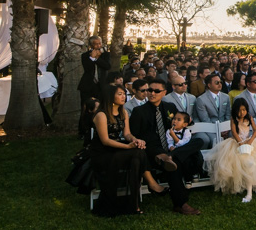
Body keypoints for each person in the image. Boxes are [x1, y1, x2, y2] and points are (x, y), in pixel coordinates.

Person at [129, 78, 202, 216]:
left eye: (156, 91)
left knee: (198, 141)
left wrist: (186, 122)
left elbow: (180, 125)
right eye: (149, 90)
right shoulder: (139, 111)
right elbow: (135, 135)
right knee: (173, 166)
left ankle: (172, 156)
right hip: (153, 151)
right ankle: (181, 204)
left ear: (164, 92)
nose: (152, 93)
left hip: (173, 147)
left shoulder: (170, 108)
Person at [89, 85, 148, 216]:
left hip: (117, 150)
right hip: (102, 152)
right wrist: (127, 147)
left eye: (124, 94)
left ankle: (133, 202)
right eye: (120, 94)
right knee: (138, 153)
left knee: (137, 158)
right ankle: (145, 188)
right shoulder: (101, 115)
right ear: (111, 97)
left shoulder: (123, 112)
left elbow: (127, 133)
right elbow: (105, 141)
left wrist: (135, 140)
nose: (124, 97)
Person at [206, 97, 256, 203]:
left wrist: (251, 140)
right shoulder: (234, 118)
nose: (241, 112)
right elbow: (234, 132)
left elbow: (255, 130)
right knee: (245, 163)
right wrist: (240, 142)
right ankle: (249, 190)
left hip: (249, 142)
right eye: (239, 110)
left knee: (253, 163)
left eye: (244, 110)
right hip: (236, 143)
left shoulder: (249, 117)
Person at [193, 74, 231, 149]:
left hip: (225, 127)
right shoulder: (201, 99)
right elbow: (205, 119)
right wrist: (218, 130)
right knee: (217, 141)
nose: (220, 84)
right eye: (217, 82)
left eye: (220, 82)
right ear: (209, 85)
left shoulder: (226, 97)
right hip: (210, 128)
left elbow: (228, 115)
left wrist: (225, 128)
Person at [78, 35, 111, 107]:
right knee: (86, 106)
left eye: (100, 43)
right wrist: (92, 58)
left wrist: (96, 59)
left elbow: (107, 66)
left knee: (101, 106)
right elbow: (87, 68)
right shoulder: (85, 55)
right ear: (91, 45)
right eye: (96, 44)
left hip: (101, 85)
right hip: (88, 85)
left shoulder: (105, 54)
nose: (98, 45)